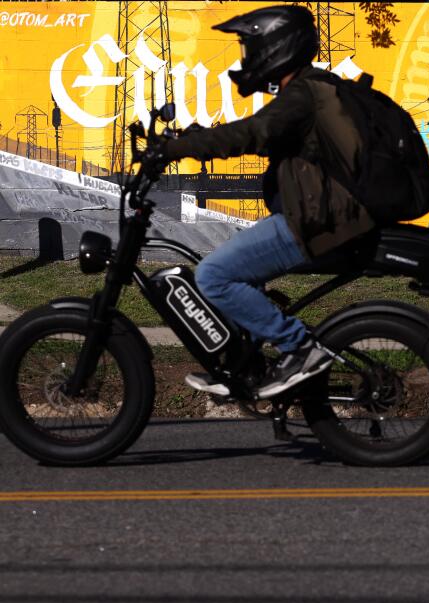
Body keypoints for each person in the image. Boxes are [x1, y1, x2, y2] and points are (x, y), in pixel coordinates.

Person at [160, 5, 373, 399]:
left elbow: (255, 132)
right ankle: (246, 367)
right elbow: (268, 136)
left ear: (277, 47)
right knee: (238, 274)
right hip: (312, 216)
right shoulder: (309, 89)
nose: (247, 57)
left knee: (213, 276)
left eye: (250, 47)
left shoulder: (303, 94)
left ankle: (300, 348)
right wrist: (199, 135)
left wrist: (181, 147)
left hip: (313, 221)